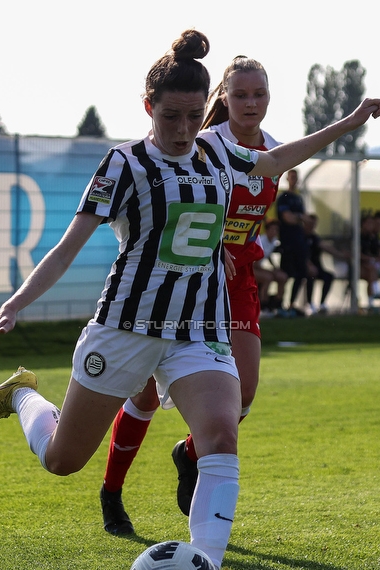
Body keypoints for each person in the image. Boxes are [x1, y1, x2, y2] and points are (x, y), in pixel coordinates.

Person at [0, 29, 380, 570]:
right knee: (62, 460)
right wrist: (14, 305)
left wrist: (349, 122)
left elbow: (275, 160)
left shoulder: (218, 152)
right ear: (148, 108)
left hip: (197, 328)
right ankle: (23, 395)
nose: (185, 129)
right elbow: (67, 247)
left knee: (221, 431)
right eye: (172, 116)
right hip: (126, 327)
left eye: (193, 116)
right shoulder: (124, 164)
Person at [99, 54, 283, 541]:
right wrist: (212, 245)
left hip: (236, 279)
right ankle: (112, 493)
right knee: (140, 393)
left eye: (259, 94)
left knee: (243, 393)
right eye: (240, 94)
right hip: (181, 277)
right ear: (222, 98)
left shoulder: (275, 153)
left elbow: (248, 216)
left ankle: (190, 452)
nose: (250, 103)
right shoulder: (203, 143)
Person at [274, 169, 310, 316]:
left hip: (299, 241)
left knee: (302, 274)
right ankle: (278, 306)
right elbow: (287, 218)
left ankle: (291, 305)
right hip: (287, 242)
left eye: (296, 177)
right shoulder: (283, 197)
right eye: (291, 177)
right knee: (286, 275)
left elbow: (306, 220)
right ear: (287, 179)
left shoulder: (299, 198)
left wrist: (298, 218)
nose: (294, 180)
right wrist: (300, 217)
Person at [302, 213, 341, 314]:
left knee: (329, 276)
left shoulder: (314, 237)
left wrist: (340, 254)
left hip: (316, 267)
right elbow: (298, 254)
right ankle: (309, 303)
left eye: (314, 224)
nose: (312, 226)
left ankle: (322, 303)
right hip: (302, 268)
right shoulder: (300, 236)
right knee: (311, 275)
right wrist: (308, 264)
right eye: (310, 223)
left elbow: (325, 247)